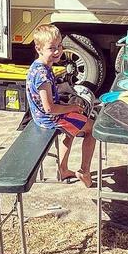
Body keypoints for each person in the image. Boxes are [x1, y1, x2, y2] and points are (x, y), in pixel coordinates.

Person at [26, 24, 96, 187]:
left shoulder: (39, 66)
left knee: (73, 129)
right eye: (52, 48)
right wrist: (72, 108)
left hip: (43, 116)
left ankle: (63, 169)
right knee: (92, 128)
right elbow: (49, 108)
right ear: (39, 48)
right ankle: (84, 171)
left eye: (59, 46)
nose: (57, 51)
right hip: (49, 118)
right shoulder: (42, 74)